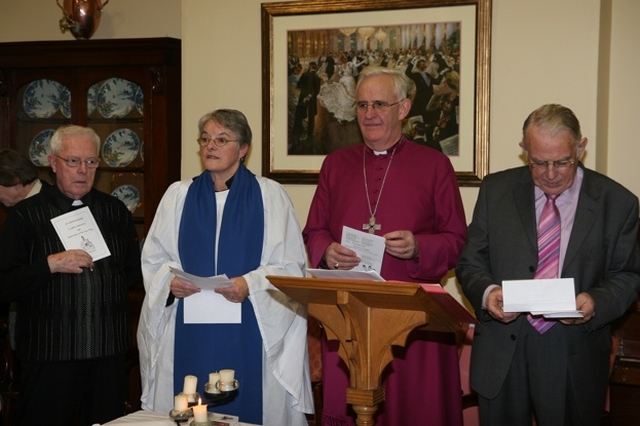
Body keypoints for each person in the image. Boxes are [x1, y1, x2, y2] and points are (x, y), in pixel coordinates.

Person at [456, 104, 640, 426]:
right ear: (524, 151)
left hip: (573, 351)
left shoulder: (618, 202)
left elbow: (627, 276)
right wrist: (487, 294)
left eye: (562, 162)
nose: (550, 174)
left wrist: (595, 302)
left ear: (580, 148)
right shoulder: (496, 190)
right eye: (538, 162)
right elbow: (470, 263)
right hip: (503, 349)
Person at [303, 66, 468, 426]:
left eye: (379, 104)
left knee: (413, 410)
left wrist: (418, 246)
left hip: (413, 321)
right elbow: (313, 230)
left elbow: (457, 240)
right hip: (347, 316)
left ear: (404, 108)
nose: (369, 114)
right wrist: (327, 250)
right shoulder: (335, 164)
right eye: (362, 105)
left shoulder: (435, 165)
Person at [137, 109, 313, 425]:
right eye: (205, 139)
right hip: (187, 327)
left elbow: (291, 267)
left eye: (221, 140)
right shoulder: (178, 196)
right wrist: (168, 284)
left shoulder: (269, 196)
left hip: (251, 325)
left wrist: (251, 284)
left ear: (243, 149)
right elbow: (154, 259)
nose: (210, 147)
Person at [0, 125, 141, 426]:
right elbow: (5, 283)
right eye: (73, 161)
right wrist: (48, 265)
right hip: (51, 354)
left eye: (91, 162)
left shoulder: (115, 212)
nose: (83, 170)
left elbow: (130, 273)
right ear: (53, 163)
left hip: (107, 354)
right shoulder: (25, 216)